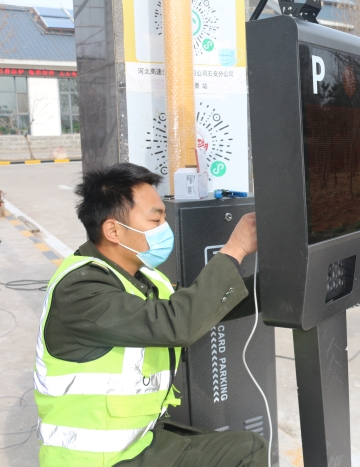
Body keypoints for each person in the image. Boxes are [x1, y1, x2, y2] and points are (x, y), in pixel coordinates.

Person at [34, 163, 267, 467]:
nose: (164, 228)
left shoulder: (141, 277)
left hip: (134, 441)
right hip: (95, 460)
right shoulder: (81, 290)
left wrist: (279, 283)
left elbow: (196, 308)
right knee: (246, 452)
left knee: (247, 446)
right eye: (155, 219)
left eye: (164, 218)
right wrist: (234, 249)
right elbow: (178, 323)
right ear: (113, 230)